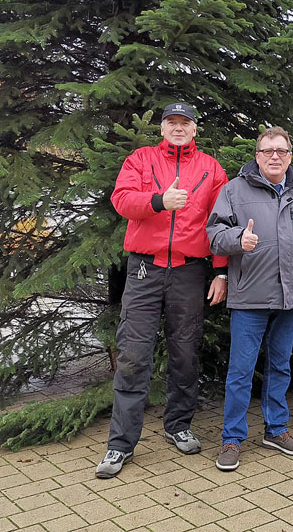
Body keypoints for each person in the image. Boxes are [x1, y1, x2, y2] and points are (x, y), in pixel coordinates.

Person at [96, 102, 229, 479]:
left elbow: (220, 222)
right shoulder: (140, 159)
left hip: (189, 271)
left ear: (195, 130)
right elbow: (121, 200)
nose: (178, 128)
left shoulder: (211, 168)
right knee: (133, 356)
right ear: (162, 129)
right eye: (171, 122)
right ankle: (119, 445)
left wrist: (220, 272)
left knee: (185, 352)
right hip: (143, 269)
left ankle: (178, 424)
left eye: (185, 123)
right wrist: (159, 201)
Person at [207, 126, 293, 472]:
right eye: (267, 151)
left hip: (291, 298)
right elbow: (213, 234)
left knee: (280, 366)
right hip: (250, 297)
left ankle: (275, 430)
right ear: (257, 156)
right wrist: (235, 240)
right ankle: (232, 438)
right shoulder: (234, 190)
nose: (275, 156)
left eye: (281, 151)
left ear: (290, 156)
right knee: (241, 371)